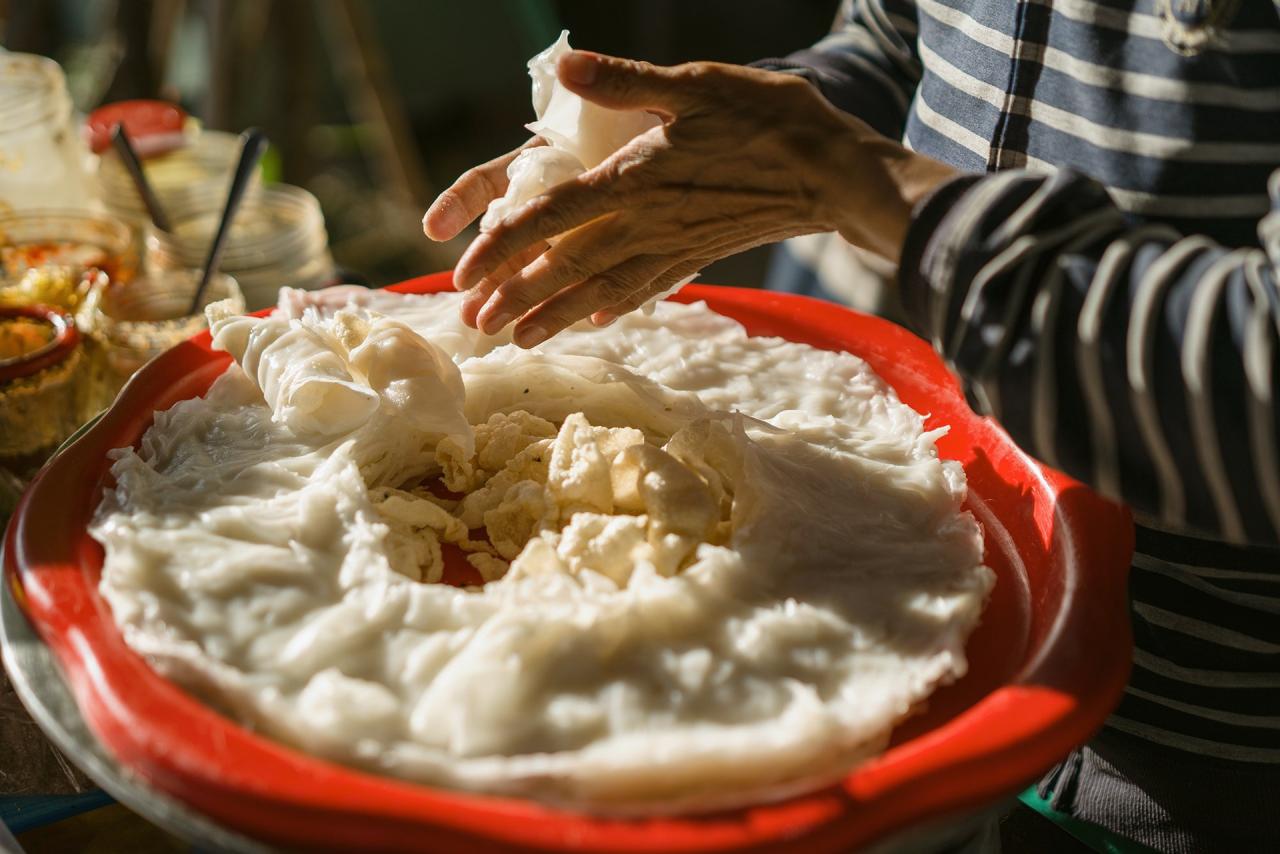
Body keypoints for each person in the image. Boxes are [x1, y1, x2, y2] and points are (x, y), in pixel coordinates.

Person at [423, 3, 1280, 851]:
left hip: (1199, 772)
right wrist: (704, 148)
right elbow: (896, 36)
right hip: (919, 663)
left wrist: (858, 185)